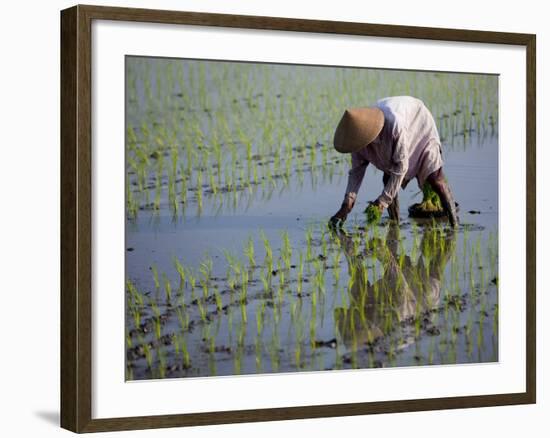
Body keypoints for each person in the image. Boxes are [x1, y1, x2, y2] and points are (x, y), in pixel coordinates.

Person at [329, 96, 459, 227]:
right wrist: (346, 205)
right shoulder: (356, 141)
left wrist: (382, 201)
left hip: (417, 120)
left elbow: (401, 167)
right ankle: (395, 224)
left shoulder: (394, 126)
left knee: (435, 178)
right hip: (396, 129)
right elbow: (356, 173)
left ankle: (454, 222)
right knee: (388, 180)